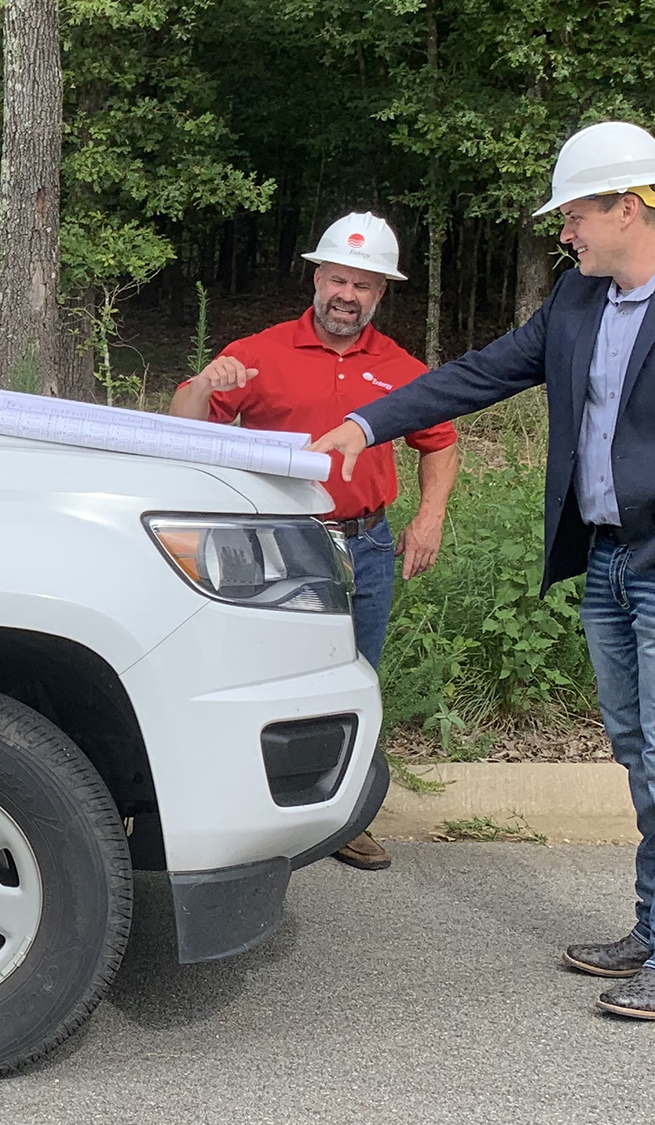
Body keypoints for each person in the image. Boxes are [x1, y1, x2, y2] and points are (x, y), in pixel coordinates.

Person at [311, 122, 655, 1020]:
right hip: (610, 558)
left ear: (628, 206)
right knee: (643, 748)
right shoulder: (578, 301)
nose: (565, 233)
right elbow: (482, 373)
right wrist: (369, 423)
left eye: (574, 214)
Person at [172, 211, 459, 873]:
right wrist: (204, 384)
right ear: (317, 277)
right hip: (276, 547)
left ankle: (345, 818)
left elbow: (440, 444)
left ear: (380, 294)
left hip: (366, 546)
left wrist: (431, 516)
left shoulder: (401, 368)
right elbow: (185, 424)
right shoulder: (262, 352)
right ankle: (256, 817)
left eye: (363, 285)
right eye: (338, 278)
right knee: (263, 678)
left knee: (356, 675)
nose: (347, 295)